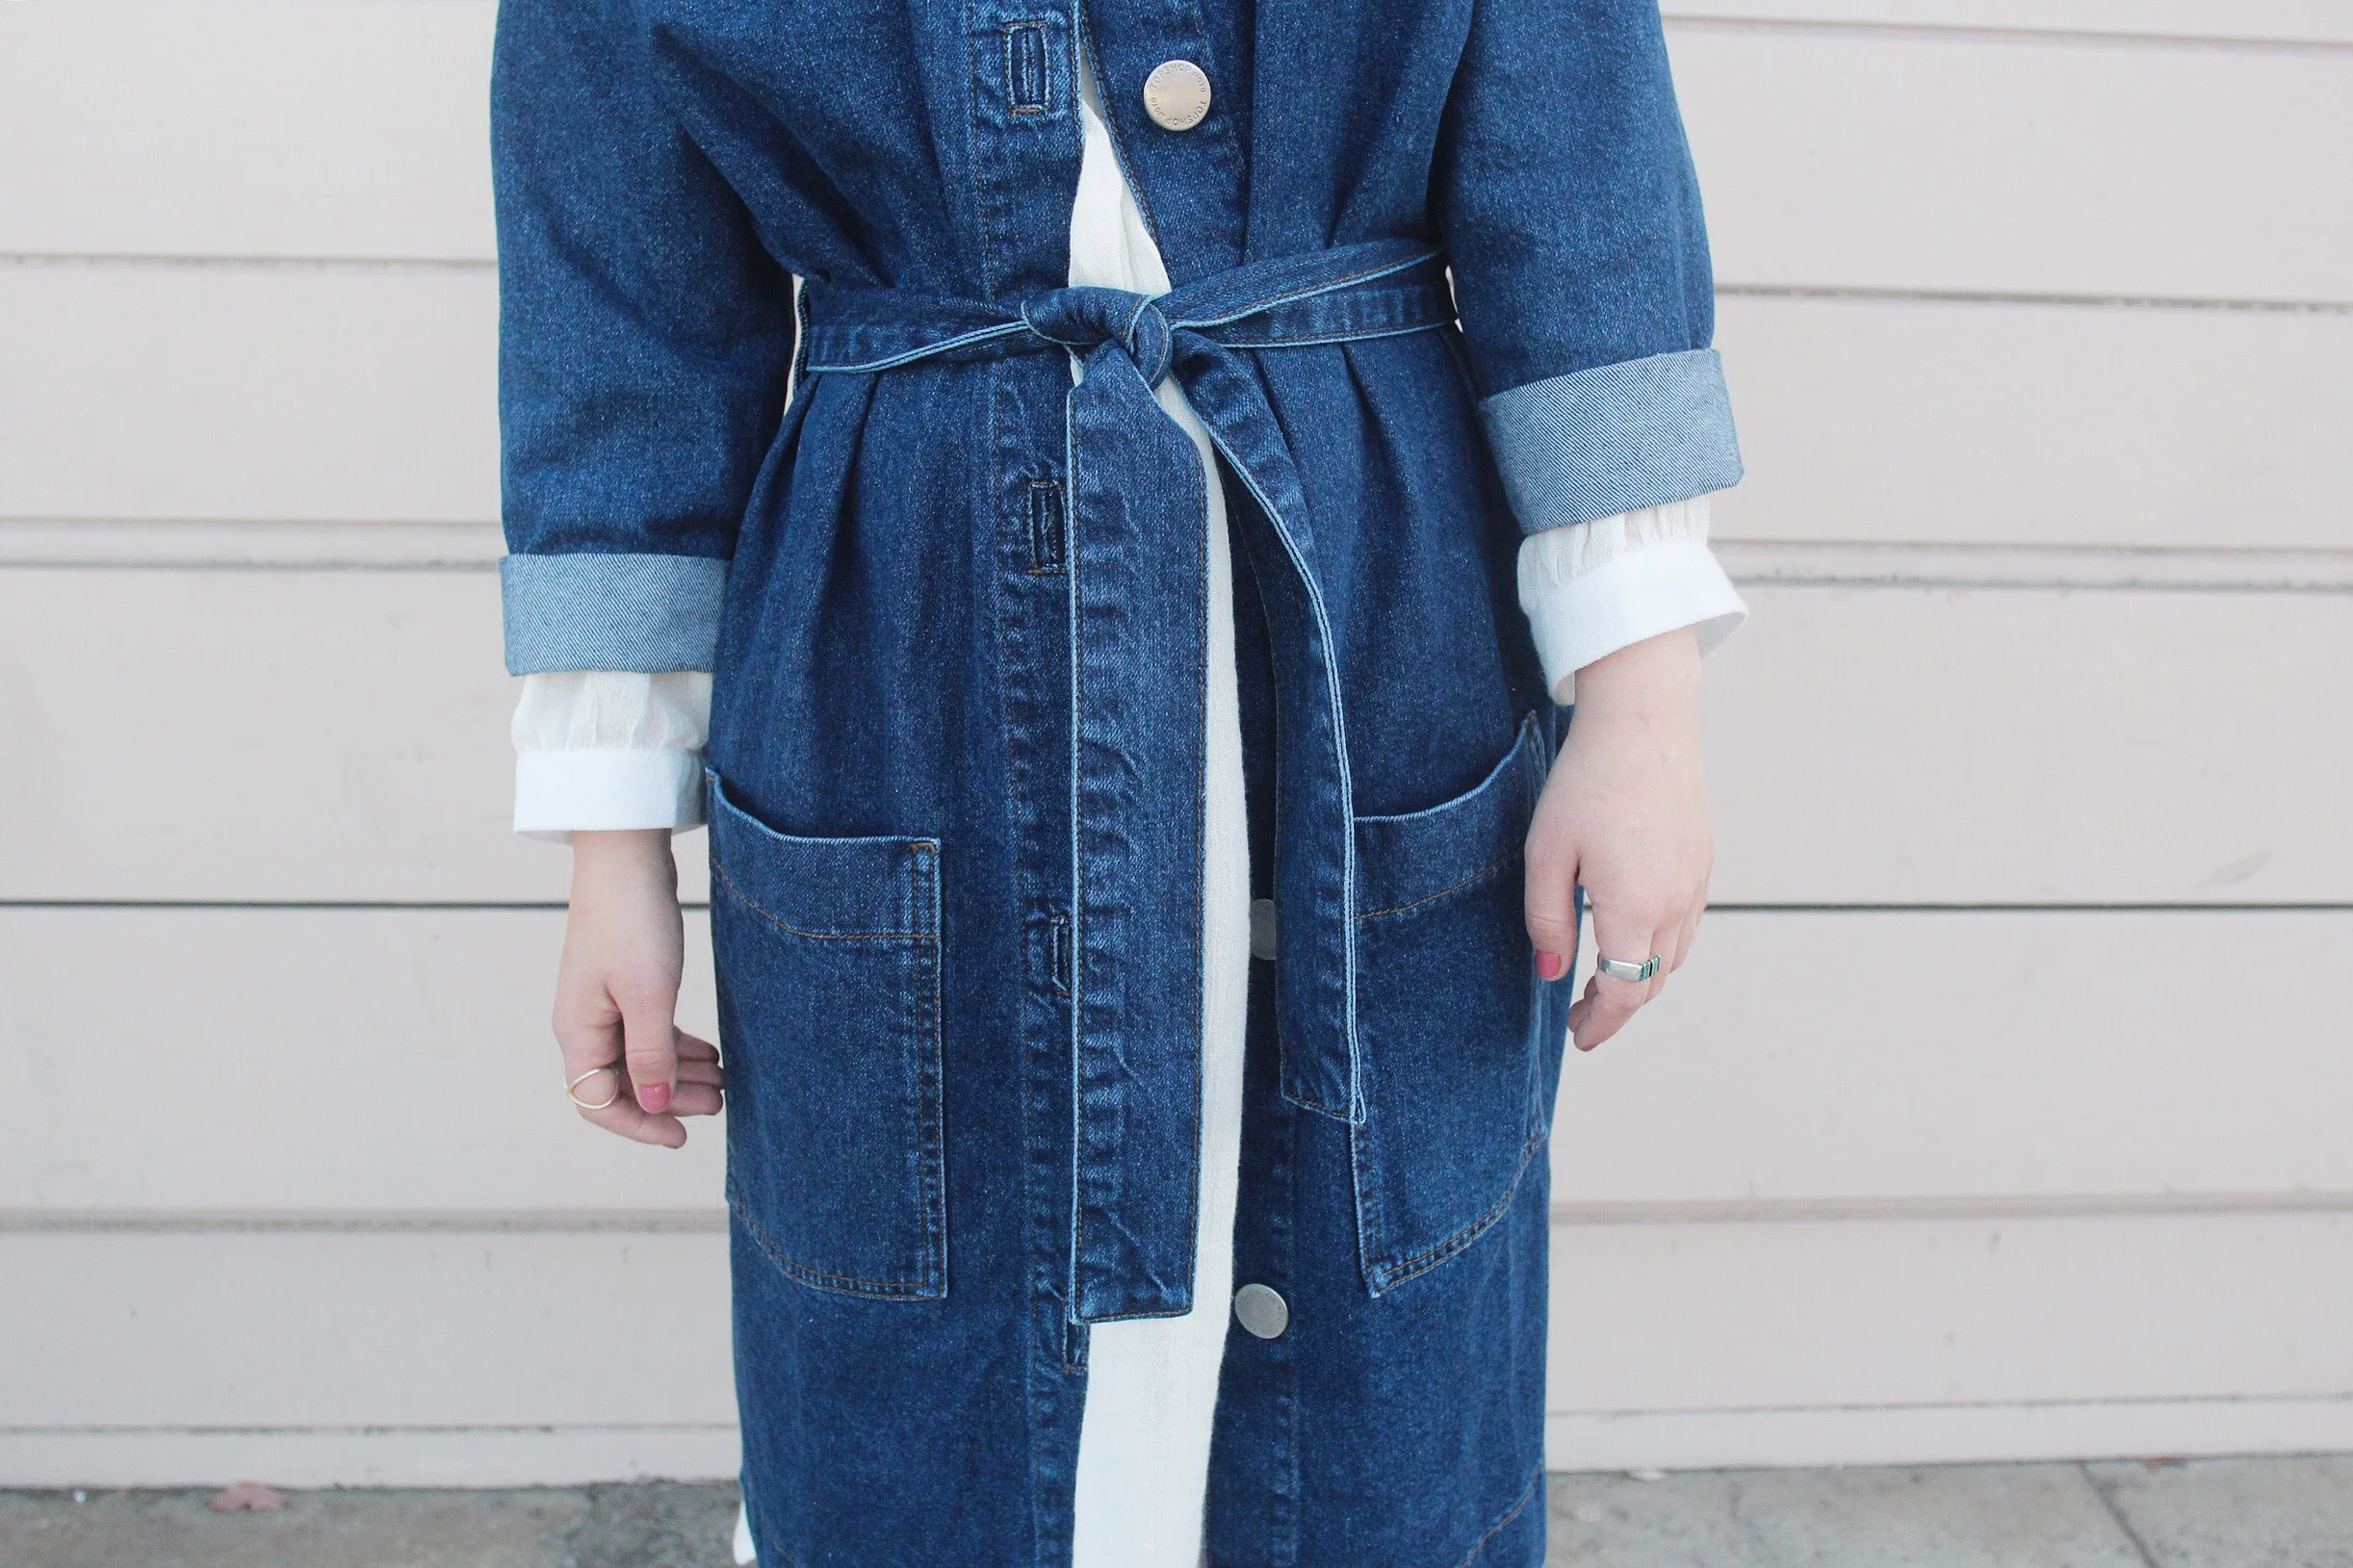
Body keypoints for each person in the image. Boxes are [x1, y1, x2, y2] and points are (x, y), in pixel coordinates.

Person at [491, 2, 1745, 1562]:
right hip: (904, 665)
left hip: (1372, 625)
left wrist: (1641, 699)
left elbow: (1579, 168)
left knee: (1370, 1371)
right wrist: (612, 842)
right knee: (928, 1354)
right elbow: (623, 324)